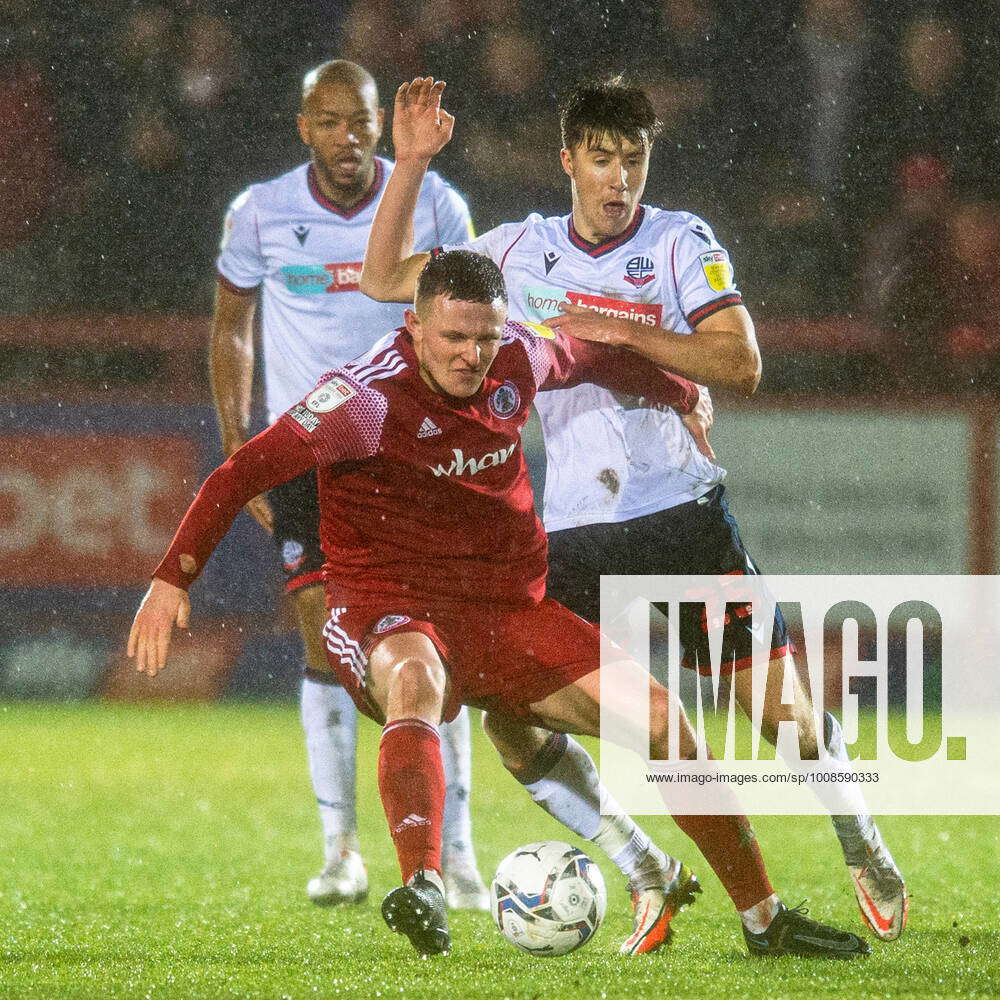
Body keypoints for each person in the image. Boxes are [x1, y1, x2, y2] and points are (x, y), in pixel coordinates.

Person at [130, 249, 871, 960]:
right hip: (391, 607)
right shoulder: (358, 401)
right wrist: (172, 580)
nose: (471, 356)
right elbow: (237, 474)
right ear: (414, 326)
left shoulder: (518, 354)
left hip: (509, 613)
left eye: (484, 338)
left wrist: (679, 392)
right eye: (453, 337)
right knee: (416, 683)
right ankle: (422, 882)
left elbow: (593, 358)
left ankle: (764, 919)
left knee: (664, 724)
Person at [360, 77, 908, 942]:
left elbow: (741, 365)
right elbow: (382, 277)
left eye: (635, 161)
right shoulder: (520, 249)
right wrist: (414, 164)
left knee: (784, 719)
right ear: (568, 159)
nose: (620, 180)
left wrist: (622, 333)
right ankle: (644, 868)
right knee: (510, 716)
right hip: (574, 533)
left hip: (681, 517)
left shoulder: (681, 239)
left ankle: (862, 841)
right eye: (604, 160)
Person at [209, 59, 488, 910]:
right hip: (310, 459)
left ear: (379, 125)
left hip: (412, 454)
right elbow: (231, 331)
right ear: (304, 127)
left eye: (360, 121)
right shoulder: (259, 212)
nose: (347, 137)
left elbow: (475, 318)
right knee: (319, 642)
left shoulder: (434, 203)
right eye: (329, 122)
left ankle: (460, 854)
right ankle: (341, 850)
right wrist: (237, 447)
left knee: (439, 651)